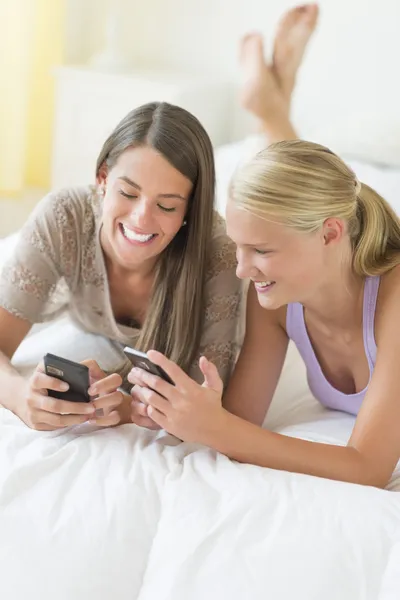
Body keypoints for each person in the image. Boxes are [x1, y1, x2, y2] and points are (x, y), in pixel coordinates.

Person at [128, 4, 400, 489]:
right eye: (238, 247)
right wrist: (181, 411)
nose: (242, 270)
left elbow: (369, 468)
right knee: (307, 193)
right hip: (326, 215)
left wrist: (220, 427)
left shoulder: (394, 298)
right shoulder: (272, 296)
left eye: (262, 251)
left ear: (332, 233)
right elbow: (241, 423)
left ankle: (274, 107)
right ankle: (273, 109)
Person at [0, 102, 241, 430]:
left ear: (190, 209)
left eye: (166, 205)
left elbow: (207, 398)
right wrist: (22, 398)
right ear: (102, 178)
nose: (142, 218)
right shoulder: (64, 218)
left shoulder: (218, 253)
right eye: (128, 193)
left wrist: (128, 409)